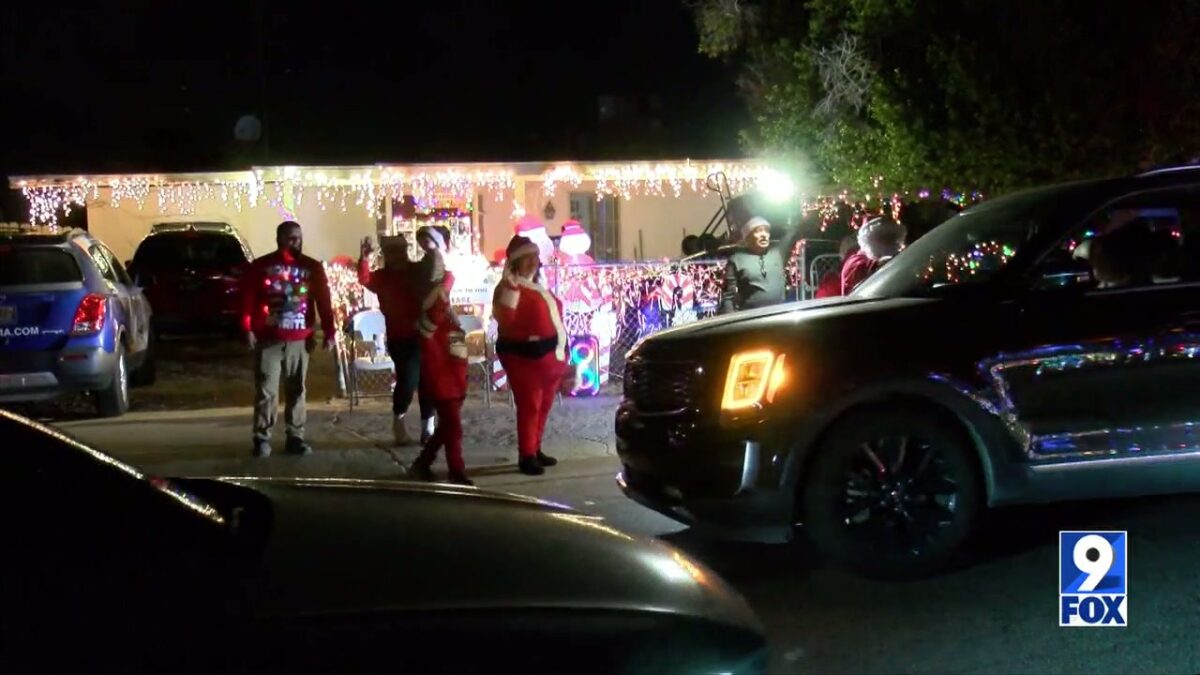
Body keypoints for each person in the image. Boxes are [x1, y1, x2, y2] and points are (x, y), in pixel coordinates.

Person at [243, 221, 335, 458]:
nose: (296, 242)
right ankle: (262, 438)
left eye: (298, 238)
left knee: (297, 389)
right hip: (269, 338)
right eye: (290, 238)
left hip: (299, 338)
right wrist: (248, 328)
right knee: (266, 389)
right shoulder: (261, 266)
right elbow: (248, 298)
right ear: (279, 239)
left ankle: (295, 436)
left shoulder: (312, 267)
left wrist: (329, 331)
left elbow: (324, 300)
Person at [492, 235, 566, 476]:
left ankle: (535, 447)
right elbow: (505, 320)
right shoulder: (509, 287)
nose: (533, 262)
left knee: (543, 405)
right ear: (515, 262)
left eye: (534, 257)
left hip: (548, 357)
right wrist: (510, 291)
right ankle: (526, 454)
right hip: (524, 359)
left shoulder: (536, 286)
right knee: (530, 405)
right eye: (526, 259)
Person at [358, 234, 430, 446]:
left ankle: (428, 427)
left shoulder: (417, 271)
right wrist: (364, 259)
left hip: (424, 334)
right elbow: (365, 279)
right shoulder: (382, 277)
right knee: (408, 379)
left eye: (400, 250)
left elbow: (439, 274)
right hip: (399, 337)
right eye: (393, 252)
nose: (397, 256)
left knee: (427, 381)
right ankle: (399, 420)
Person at [409, 245, 472, 486]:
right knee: (453, 427)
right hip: (442, 379)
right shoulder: (432, 313)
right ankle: (456, 471)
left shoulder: (441, 311)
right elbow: (436, 343)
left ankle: (423, 463)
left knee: (448, 426)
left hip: (451, 377)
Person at [719, 216, 802, 313]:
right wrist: (731, 322)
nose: (764, 235)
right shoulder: (736, 260)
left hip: (779, 314)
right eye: (758, 231)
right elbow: (728, 297)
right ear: (748, 237)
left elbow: (795, 231)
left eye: (766, 231)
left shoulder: (777, 252)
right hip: (752, 317)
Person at [841, 217, 907, 295]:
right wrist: (879, 264)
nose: (887, 242)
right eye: (881, 237)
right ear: (869, 238)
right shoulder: (854, 262)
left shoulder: (899, 258)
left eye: (892, 237)